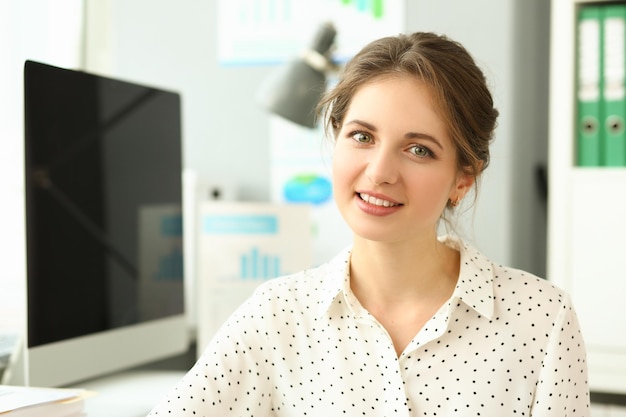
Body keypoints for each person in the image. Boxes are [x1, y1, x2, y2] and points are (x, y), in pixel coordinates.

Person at [147, 31, 589, 416]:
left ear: (462, 179)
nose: (380, 171)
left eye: (419, 150)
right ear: (336, 138)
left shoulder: (542, 320)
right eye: (362, 136)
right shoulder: (276, 316)